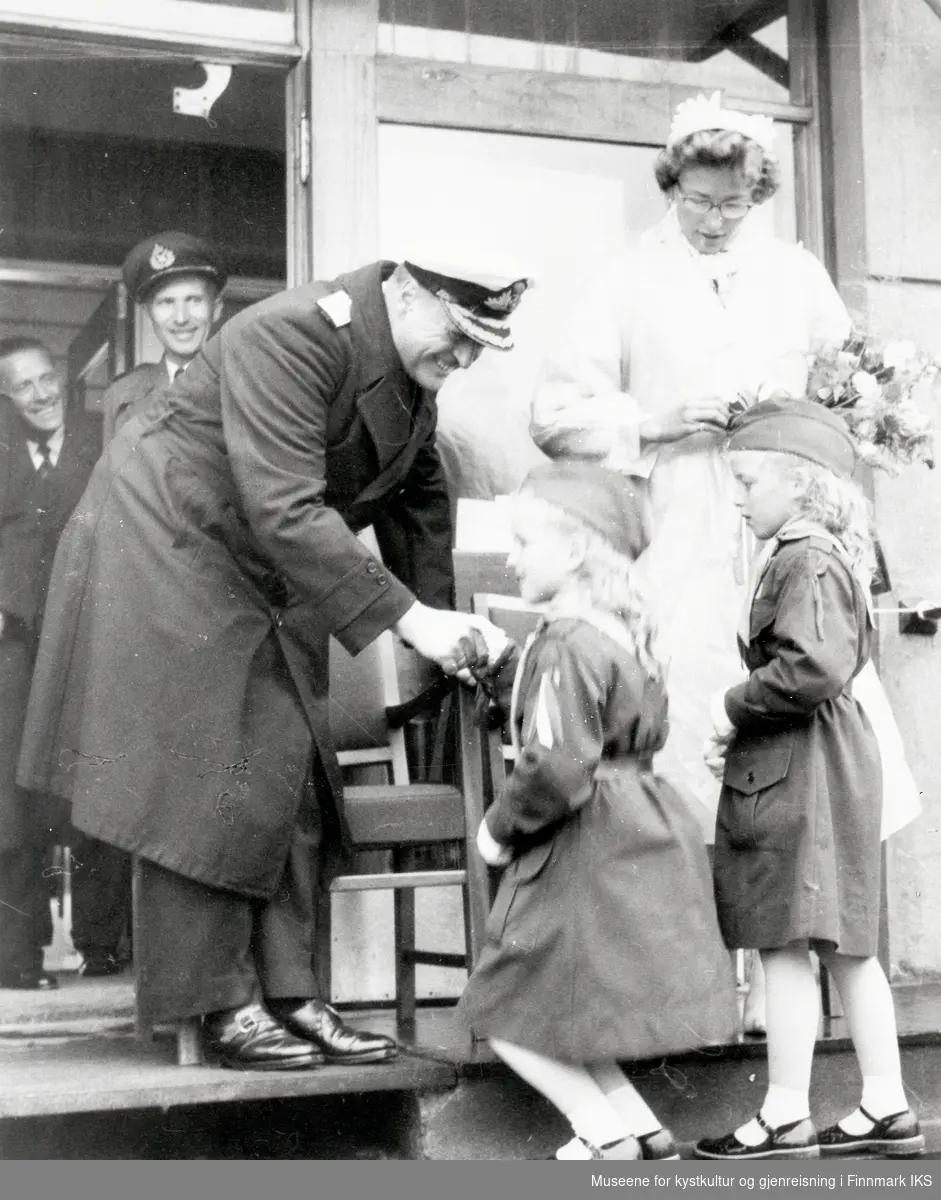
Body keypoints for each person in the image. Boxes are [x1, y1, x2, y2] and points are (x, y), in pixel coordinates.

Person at [17, 258, 528, 1069]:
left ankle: (291, 994)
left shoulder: (402, 369)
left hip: (247, 554)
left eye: (479, 346)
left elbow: (418, 501)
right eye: (456, 336)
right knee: (203, 762)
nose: (463, 359)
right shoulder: (293, 334)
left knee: (286, 751)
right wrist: (409, 619)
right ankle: (219, 1004)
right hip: (166, 536)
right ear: (404, 291)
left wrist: (438, 632)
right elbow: (285, 506)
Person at [530, 90, 921, 1032]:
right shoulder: (627, 279)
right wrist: (659, 422)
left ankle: (804, 985)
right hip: (685, 538)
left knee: (809, 740)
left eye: (734, 203)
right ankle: (711, 989)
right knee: (700, 743)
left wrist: (817, 431)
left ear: (758, 194)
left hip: (789, 537)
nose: (715, 220)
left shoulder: (793, 274)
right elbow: (553, 416)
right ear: (670, 185)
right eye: (700, 201)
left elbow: (855, 390)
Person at [459, 461, 739, 1161]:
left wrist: (496, 832)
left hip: (579, 840)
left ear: (577, 549)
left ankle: (604, 1135)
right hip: (629, 823)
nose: (511, 556)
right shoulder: (620, 634)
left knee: (508, 1012)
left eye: (525, 542)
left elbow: (554, 763)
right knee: (567, 1012)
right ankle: (641, 1132)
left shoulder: (564, 643)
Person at [694, 400, 924, 1161]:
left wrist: (735, 708)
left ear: (799, 485)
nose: (738, 496)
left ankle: (786, 1112)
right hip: (825, 755)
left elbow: (812, 667)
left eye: (748, 481)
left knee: (784, 940)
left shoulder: (803, 558)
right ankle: (883, 1106)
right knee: (842, 942)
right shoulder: (822, 553)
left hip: (804, 760)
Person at [0, 338, 100, 989]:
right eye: (23, 387)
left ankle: (105, 942)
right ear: (7, 399)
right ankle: (14, 954)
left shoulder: (102, 443)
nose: (40, 395)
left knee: (92, 788)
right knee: (15, 798)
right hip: (16, 649)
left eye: (46, 380)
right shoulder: (4, 459)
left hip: (89, 639)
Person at [101, 231, 226, 444]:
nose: (181, 318)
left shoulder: (243, 385)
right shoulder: (122, 396)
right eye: (166, 302)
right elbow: (110, 476)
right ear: (148, 313)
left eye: (194, 300)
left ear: (216, 308)